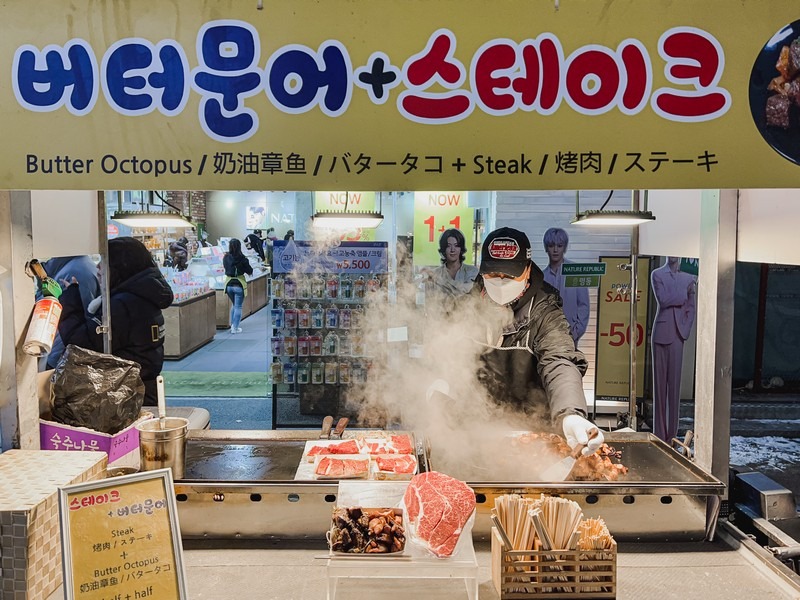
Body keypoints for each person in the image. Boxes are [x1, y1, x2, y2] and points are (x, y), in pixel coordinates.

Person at [475, 227, 603, 456]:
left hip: (533, 432)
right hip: (478, 429)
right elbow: (445, 354)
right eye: (494, 275)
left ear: (527, 271)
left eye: (510, 276)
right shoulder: (467, 305)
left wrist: (571, 413)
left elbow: (560, 361)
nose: (501, 282)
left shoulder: (546, 311)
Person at [56, 237, 174, 406]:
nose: (98, 267)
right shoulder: (142, 297)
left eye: (104, 262)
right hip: (140, 391)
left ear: (121, 267)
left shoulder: (123, 305)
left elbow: (80, 344)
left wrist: (70, 299)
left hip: (123, 398)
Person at [651, 256, 697, 443]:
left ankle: (672, 435)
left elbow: (691, 308)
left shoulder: (688, 276)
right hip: (661, 332)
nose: (673, 255)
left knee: (674, 388)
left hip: (678, 334)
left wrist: (684, 331)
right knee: (659, 387)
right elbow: (663, 300)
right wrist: (683, 294)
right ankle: (659, 434)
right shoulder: (657, 274)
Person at [38, 255, 102, 369]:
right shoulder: (76, 265)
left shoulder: (75, 272)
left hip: (61, 350)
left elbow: (76, 318)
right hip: (60, 345)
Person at [541, 227, 590, 347]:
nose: (556, 250)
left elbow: (583, 305)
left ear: (565, 247)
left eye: (560, 245)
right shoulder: (541, 278)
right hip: (547, 337)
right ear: (546, 248)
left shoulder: (575, 272)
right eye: (552, 245)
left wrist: (576, 332)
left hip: (571, 336)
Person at [428, 228, 479, 298]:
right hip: (439, 309)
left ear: (461, 248)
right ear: (443, 249)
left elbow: (466, 292)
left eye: (456, 245)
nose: (452, 250)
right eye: (448, 246)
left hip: (467, 309)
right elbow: (429, 302)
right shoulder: (435, 273)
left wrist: (440, 281)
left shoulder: (472, 271)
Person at [223, 238, 253, 334]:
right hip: (239, 284)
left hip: (228, 285)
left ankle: (232, 324)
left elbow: (225, 267)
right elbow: (249, 270)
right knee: (238, 306)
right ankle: (235, 327)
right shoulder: (243, 258)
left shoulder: (226, 257)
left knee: (234, 305)